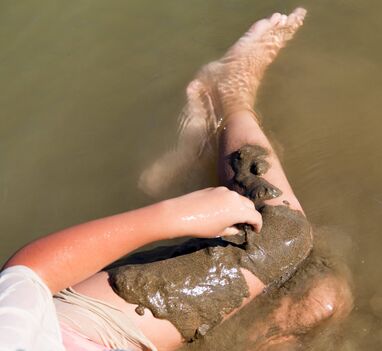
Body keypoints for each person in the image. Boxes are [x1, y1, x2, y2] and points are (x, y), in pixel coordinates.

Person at [0, 8, 352, 351]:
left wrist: (174, 216)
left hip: (85, 334)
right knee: (323, 298)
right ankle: (197, 155)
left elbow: (28, 275)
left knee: (285, 237)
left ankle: (229, 94)